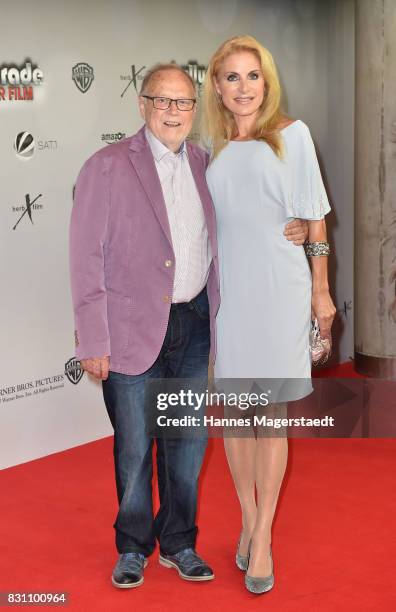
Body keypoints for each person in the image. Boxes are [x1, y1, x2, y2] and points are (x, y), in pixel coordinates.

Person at [69, 62, 308, 589]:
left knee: (187, 442)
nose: (172, 112)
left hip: (195, 322)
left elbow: (248, 217)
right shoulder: (106, 167)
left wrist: (294, 228)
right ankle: (133, 547)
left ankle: (179, 542)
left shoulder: (207, 163)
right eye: (162, 100)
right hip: (131, 327)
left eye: (182, 102)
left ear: (194, 109)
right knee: (134, 446)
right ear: (142, 104)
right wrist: (92, 337)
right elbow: (85, 258)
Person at [202, 35, 336, 594]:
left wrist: (321, 292)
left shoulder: (293, 136)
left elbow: (316, 220)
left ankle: (262, 538)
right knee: (236, 418)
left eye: (252, 76)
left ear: (267, 80)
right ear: (216, 86)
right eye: (231, 77)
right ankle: (247, 516)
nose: (243, 87)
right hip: (231, 296)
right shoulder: (211, 148)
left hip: (281, 290)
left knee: (270, 418)